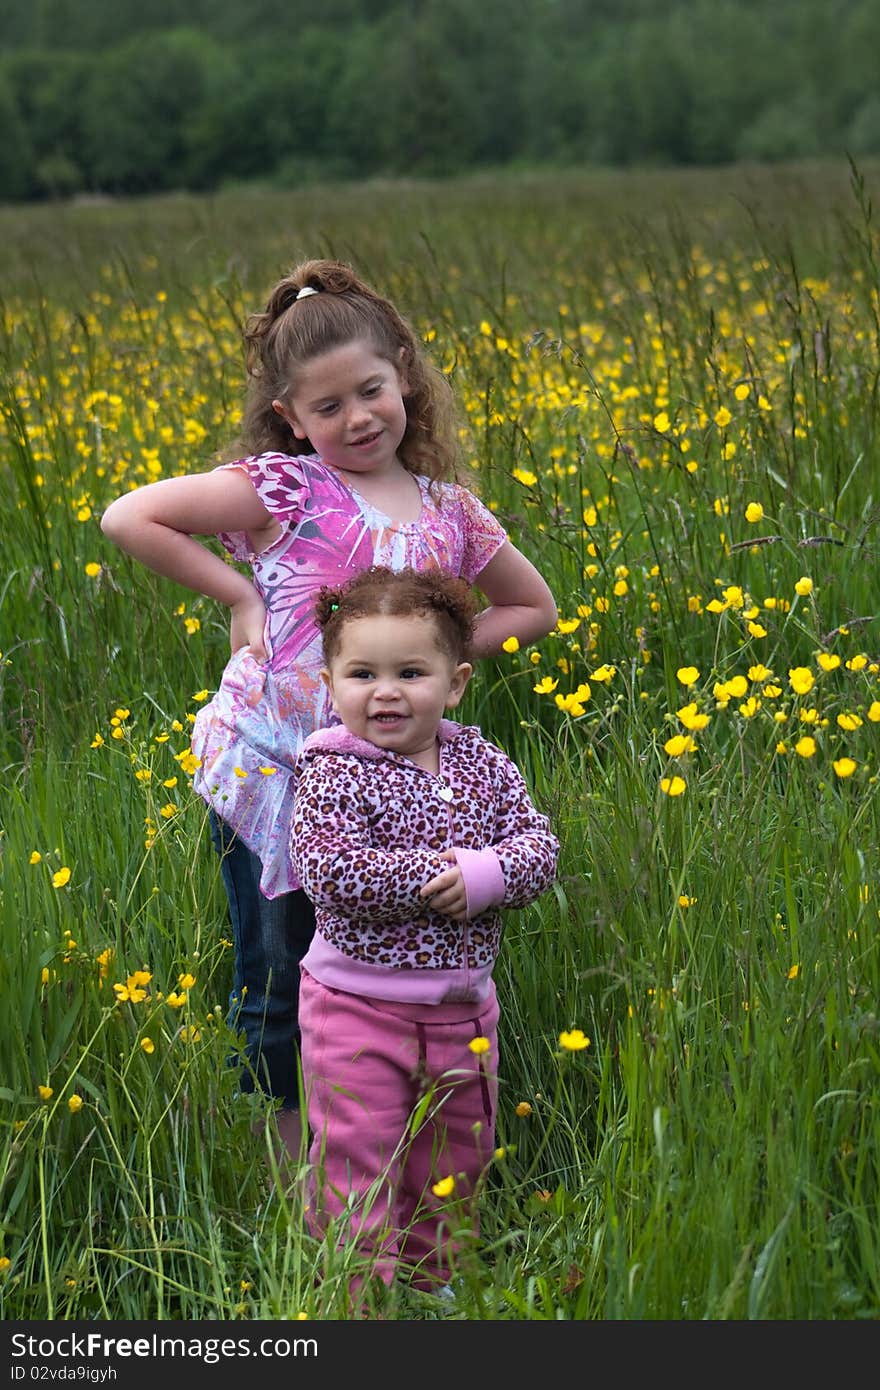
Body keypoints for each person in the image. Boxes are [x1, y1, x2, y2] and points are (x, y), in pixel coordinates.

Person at [100, 258, 557, 1163]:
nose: (356, 419)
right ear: (290, 418)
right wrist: (239, 598)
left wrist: (437, 661)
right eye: (327, 408)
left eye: (371, 391)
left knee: (386, 953)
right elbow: (129, 517)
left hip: (395, 782)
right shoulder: (284, 491)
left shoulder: (452, 512)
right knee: (277, 965)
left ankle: (389, 1131)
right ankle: (288, 1158)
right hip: (277, 771)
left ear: (403, 371)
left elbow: (532, 608)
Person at [291, 566, 559, 1301]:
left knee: (455, 1157)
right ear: (331, 681)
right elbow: (327, 869)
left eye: (411, 672)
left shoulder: (482, 763)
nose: (385, 691)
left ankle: (433, 1281)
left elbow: (538, 846)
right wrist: (427, 877)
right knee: (358, 1154)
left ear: (456, 681)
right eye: (362, 673)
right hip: (355, 1006)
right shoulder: (331, 771)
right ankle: (358, 1295)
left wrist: (489, 877)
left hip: (465, 1014)